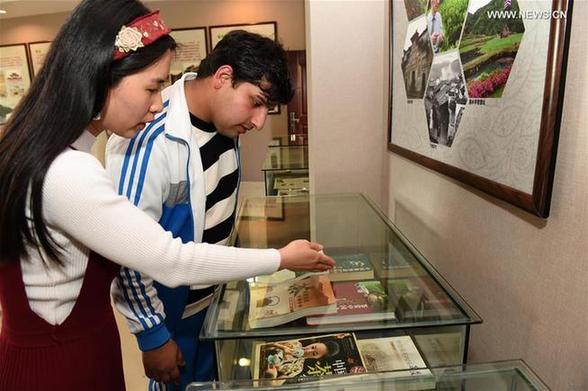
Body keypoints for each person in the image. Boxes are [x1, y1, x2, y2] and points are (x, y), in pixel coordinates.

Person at [0, 1, 335, 390]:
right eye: (152, 86)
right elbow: (169, 259)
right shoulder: (68, 170)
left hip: (77, 348)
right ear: (101, 75)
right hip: (60, 364)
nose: (158, 103)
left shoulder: (42, 152)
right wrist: (280, 258)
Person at [105, 30, 298, 390]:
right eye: (255, 102)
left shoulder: (227, 125)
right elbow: (125, 251)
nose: (258, 122)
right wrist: (153, 335)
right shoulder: (151, 137)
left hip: (214, 304)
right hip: (173, 315)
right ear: (224, 77)